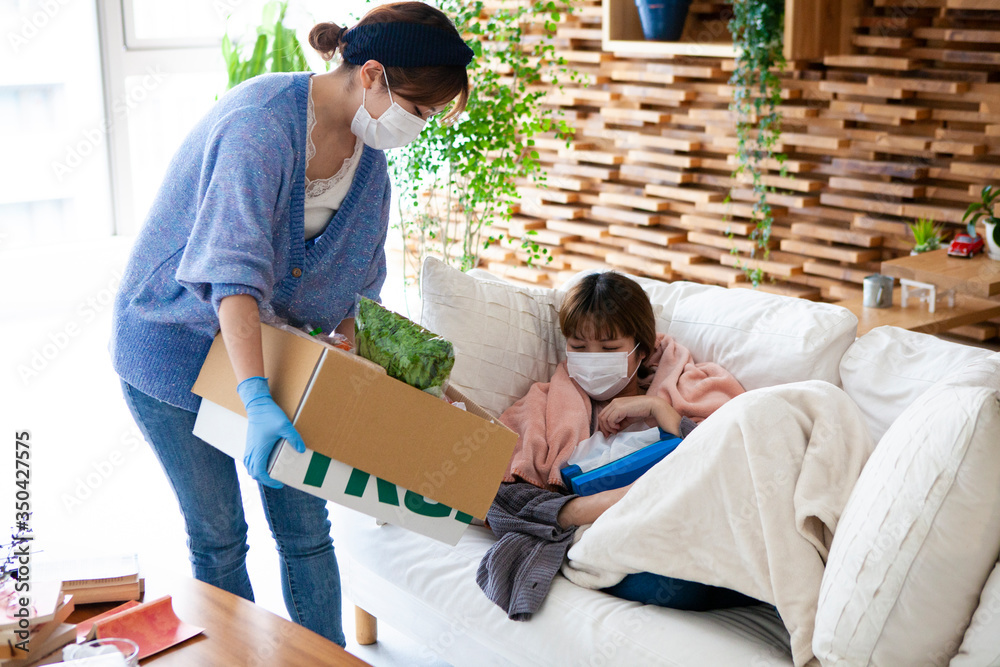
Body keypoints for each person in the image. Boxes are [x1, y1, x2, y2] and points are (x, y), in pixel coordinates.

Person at [110, 2, 473, 646]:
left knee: (306, 533)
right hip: (173, 347)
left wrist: (357, 377)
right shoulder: (260, 126)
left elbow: (356, 298)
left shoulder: (371, 169)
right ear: (371, 75)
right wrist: (254, 397)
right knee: (220, 537)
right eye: (417, 109)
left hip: (280, 356)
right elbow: (234, 279)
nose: (418, 126)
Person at [478, 271, 756, 618]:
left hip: (685, 523)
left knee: (711, 556)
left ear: (643, 349)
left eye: (609, 349)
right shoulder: (541, 408)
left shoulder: (690, 388)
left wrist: (659, 410)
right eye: (579, 348)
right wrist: (595, 506)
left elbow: (733, 459)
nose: (592, 359)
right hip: (613, 540)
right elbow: (496, 499)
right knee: (674, 582)